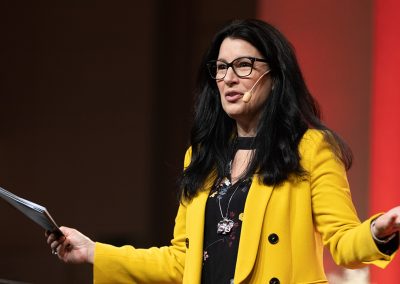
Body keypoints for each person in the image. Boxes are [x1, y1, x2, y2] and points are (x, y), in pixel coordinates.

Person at [46, 18, 400, 284]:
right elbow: (182, 261)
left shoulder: (311, 149)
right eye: (220, 67)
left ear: (275, 75)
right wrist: (93, 251)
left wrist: (379, 231)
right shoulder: (201, 157)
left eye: (243, 65)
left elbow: (342, 242)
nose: (229, 78)